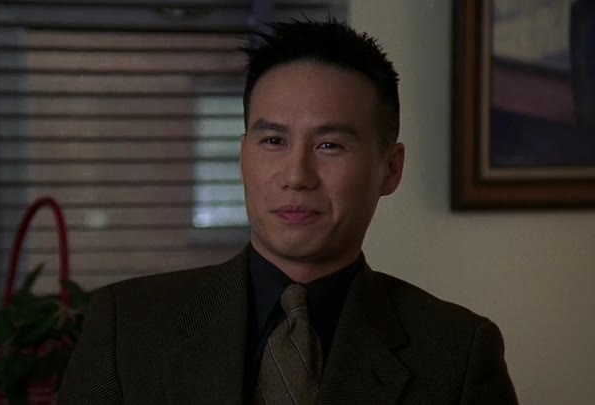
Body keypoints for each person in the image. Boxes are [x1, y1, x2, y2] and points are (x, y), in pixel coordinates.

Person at [58, 19, 518, 404]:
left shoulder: (456, 353)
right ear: (243, 156)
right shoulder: (127, 328)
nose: (297, 176)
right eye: (273, 140)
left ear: (390, 169)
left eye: (329, 145)